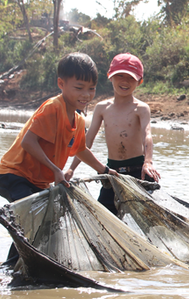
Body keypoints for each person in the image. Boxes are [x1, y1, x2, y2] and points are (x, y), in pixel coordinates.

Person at [0, 52, 115, 261]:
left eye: (91, 89)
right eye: (79, 88)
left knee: (40, 224)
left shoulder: (78, 121)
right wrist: (55, 170)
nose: (86, 95)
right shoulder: (53, 108)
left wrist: (103, 170)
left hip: (39, 182)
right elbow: (28, 142)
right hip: (14, 175)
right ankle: (14, 266)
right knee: (32, 220)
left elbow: (81, 150)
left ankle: (16, 263)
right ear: (61, 83)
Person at [66, 53, 160, 214]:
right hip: (112, 173)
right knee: (103, 216)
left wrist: (148, 162)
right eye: (120, 76)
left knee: (145, 217)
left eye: (131, 78)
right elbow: (86, 142)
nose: (124, 81)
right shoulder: (102, 108)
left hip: (138, 171)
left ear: (139, 81)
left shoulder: (141, 108)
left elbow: (147, 135)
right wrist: (71, 169)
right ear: (110, 76)